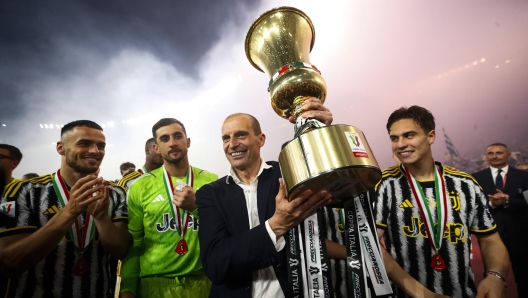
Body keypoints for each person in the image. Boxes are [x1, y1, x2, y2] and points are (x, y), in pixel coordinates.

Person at [196, 98, 334, 297]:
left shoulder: (287, 173)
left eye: (240, 135)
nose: (232, 144)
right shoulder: (210, 194)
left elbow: (339, 190)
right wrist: (276, 225)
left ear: (261, 139)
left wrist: (321, 134)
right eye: (226, 138)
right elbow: (216, 265)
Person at [374, 106, 509, 298]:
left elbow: (489, 239)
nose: (400, 144)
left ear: (431, 136)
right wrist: (420, 292)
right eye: (394, 138)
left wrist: (496, 276)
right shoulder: (383, 184)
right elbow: (370, 245)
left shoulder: (465, 184)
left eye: (409, 135)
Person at [0, 120, 132, 298]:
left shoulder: (116, 192)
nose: (95, 151)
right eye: (84, 143)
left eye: (101, 146)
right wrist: (70, 211)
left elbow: (121, 251)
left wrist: (101, 219)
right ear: (60, 148)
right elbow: (8, 263)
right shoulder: (21, 191)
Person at [120, 118, 218, 298]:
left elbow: (223, 231)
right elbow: (135, 242)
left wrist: (196, 209)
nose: (172, 143)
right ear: (156, 148)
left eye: (178, 136)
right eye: (164, 139)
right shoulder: (140, 187)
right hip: (155, 285)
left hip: (205, 282)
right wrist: (127, 289)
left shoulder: (211, 181)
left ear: (187, 141)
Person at [472, 143, 528, 297]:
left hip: (520, 234)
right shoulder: (476, 178)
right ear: (486, 156)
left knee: (524, 276)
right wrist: (490, 203)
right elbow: (473, 204)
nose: (495, 156)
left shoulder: (524, 176)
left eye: (499, 153)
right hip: (490, 235)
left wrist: (508, 200)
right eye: (490, 153)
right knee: (492, 277)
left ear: (508, 155)